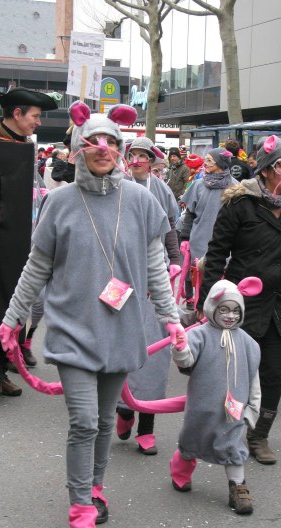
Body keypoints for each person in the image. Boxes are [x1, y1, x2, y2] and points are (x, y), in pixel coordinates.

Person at [0, 102, 186, 528]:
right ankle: (81, 509)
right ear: (78, 150)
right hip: (72, 329)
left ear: (120, 150)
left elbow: (157, 268)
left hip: (122, 330)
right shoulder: (59, 202)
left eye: (111, 142)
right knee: (83, 420)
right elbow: (36, 267)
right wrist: (12, 319)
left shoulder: (141, 200)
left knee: (103, 421)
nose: (102, 148)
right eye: (93, 141)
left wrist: (172, 320)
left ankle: (96, 488)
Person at [197, 135, 281, 464]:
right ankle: (232, 430)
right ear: (265, 170)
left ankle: (260, 434)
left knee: (272, 371)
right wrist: (207, 298)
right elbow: (217, 254)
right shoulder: (240, 203)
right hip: (244, 301)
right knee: (238, 372)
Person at [0, 87, 58, 407]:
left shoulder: (24, 145)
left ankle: (2, 370)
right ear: (17, 114)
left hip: (21, 237)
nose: (38, 123)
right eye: (34, 116)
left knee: (15, 304)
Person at [170, 278, 261, 514]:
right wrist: (180, 349)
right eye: (224, 309)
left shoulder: (250, 344)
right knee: (190, 443)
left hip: (233, 412)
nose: (230, 316)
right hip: (201, 409)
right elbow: (187, 362)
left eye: (235, 311)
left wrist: (252, 411)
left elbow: (254, 380)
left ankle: (238, 489)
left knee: (233, 448)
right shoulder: (199, 335)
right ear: (212, 308)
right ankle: (179, 471)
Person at [116, 136, 181, 454]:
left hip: (155, 279)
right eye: (133, 155)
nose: (138, 159)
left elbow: (170, 227)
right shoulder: (115, 187)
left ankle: (148, 424)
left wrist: (177, 260)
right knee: (119, 344)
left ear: (153, 160)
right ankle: (124, 408)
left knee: (155, 354)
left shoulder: (162, 189)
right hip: (121, 277)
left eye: (144, 155)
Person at [179, 147, 236, 310]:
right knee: (198, 277)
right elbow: (189, 214)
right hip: (199, 240)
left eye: (210, 160)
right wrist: (184, 238)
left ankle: (220, 308)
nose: (206, 163)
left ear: (220, 163)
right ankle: (198, 305)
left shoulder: (235, 187)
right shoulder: (197, 185)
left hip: (226, 243)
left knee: (222, 279)